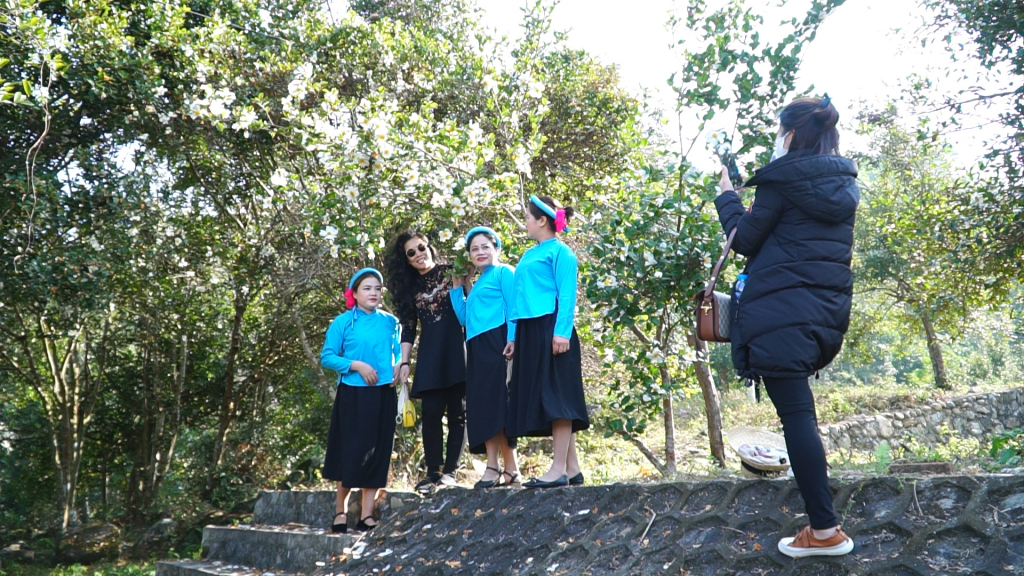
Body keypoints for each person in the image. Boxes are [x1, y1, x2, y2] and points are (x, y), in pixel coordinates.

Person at [714, 94, 858, 558]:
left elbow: (744, 240)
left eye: (780, 131)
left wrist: (727, 197)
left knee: (797, 417)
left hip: (779, 313)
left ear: (791, 133)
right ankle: (824, 527)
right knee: (801, 414)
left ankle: (825, 530)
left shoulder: (782, 180)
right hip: (823, 312)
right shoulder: (843, 186)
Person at [507, 195, 589, 489]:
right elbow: (518, 297)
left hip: (551, 327)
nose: (526, 223)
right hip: (529, 330)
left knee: (558, 397)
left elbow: (567, 294)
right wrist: (513, 336)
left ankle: (558, 470)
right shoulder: (529, 254)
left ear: (542, 220)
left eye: (528, 218)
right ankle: (572, 468)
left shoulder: (562, 253)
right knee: (549, 394)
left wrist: (561, 332)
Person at [320, 268, 404, 533]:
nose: (373, 293)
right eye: (367, 288)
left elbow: (398, 353)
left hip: (384, 394)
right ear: (354, 293)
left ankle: (366, 515)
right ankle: (340, 512)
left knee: (378, 452)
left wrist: (399, 366)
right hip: (352, 394)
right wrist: (356, 365)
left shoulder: (391, 322)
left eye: (377, 288)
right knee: (349, 451)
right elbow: (327, 356)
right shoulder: (343, 322)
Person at [385, 231, 467, 493]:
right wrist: (404, 362)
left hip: (459, 350)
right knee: (431, 414)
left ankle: (451, 472)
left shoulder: (453, 272)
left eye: (421, 247)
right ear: (407, 260)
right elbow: (408, 327)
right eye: (411, 252)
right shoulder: (410, 288)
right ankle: (433, 472)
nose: (418, 254)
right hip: (431, 354)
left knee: (458, 414)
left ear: (429, 247)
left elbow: (472, 306)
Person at [449, 227, 521, 488]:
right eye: (474, 249)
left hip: (498, 341)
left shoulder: (504, 272)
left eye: (485, 247)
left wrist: (512, 338)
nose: (480, 252)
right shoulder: (477, 283)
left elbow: (514, 306)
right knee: (483, 404)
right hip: (476, 345)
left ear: (496, 249)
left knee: (498, 403)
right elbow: (463, 318)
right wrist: (458, 286)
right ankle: (502, 469)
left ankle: (501, 467)